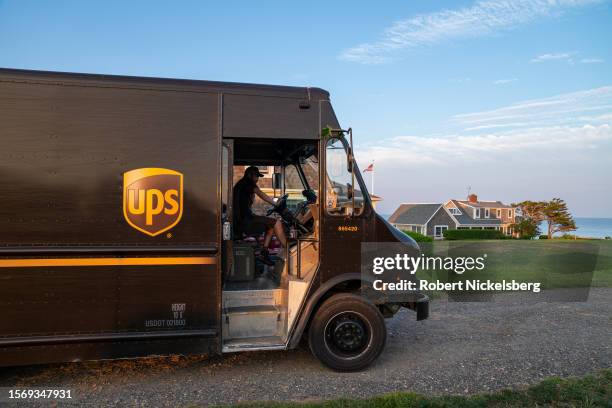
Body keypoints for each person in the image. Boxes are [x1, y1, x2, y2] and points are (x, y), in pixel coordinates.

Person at [233, 166, 287, 265]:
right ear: (250, 175)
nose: (257, 179)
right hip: (245, 222)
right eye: (256, 176)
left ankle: (264, 252)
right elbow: (262, 195)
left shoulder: (240, 185)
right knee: (277, 222)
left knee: (270, 225)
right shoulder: (248, 183)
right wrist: (275, 204)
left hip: (241, 221)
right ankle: (288, 250)